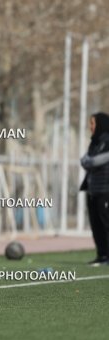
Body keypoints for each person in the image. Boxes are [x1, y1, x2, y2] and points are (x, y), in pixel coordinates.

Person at [80, 112, 109, 266]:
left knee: (106, 224)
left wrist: (90, 161)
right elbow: (84, 160)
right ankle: (102, 255)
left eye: (92, 123)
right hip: (93, 190)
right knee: (96, 224)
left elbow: (98, 160)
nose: (90, 127)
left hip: (106, 191)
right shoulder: (94, 143)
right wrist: (90, 161)